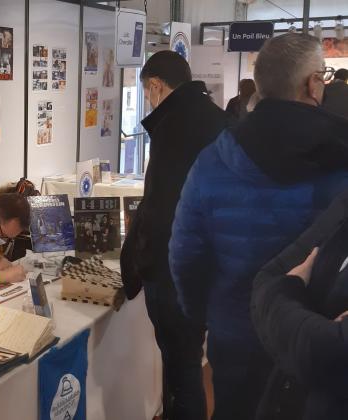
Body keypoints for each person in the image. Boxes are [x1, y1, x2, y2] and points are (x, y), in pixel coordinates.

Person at [169, 33, 348, 420]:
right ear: (313, 84)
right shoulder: (341, 158)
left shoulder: (214, 159)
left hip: (234, 334)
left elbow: (184, 254)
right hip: (312, 344)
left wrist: (201, 314)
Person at [120, 50, 231, 420]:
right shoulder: (217, 120)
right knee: (188, 365)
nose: (149, 102)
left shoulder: (174, 128)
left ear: (156, 85)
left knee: (182, 371)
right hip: (209, 266)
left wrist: (141, 261)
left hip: (174, 271)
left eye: (149, 94)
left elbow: (161, 207)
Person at [251, 189, 348, 420]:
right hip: (287, 399)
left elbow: (330, 353)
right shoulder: (344, 203)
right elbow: (267, 278)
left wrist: (279, 299)